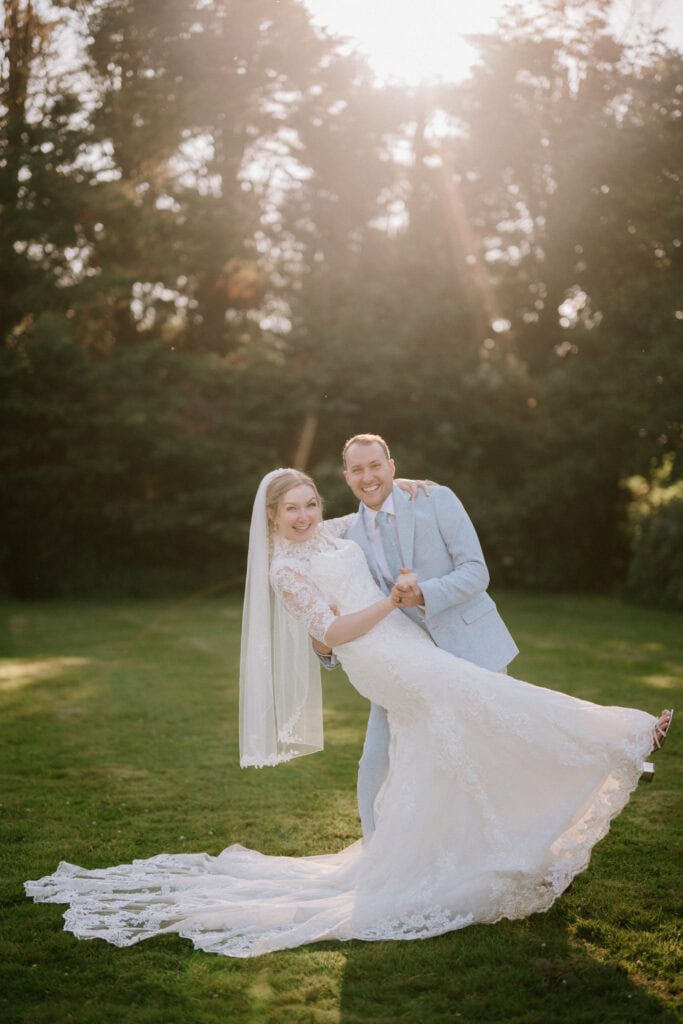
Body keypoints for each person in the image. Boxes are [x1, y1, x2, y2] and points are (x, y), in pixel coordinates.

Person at [25, 467, 673, 959]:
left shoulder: (330, 531)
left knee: (440, 745)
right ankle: (625, 731)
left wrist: (405, 481)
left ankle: (461, 853)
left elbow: (369, 517)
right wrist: (391, 605)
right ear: (272, 518)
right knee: (490, 699)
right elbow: (331, 635)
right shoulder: (284, 572)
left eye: (311, 504)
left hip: (401, 643)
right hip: (380, 655)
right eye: (292, 510)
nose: (306, 516)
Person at [314, 433, 518, 836]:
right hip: (402, 664)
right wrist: (328, 648)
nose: (368, 476)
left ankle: (536, 858)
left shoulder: (436, 499)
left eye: (376, 466)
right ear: (346, 477)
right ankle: (377, 860)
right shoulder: (345, 537)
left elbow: (477, 572)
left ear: (392, 467)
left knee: (492, 758)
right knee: (376, 761)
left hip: (470, 647)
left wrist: (424, 593)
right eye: (358, 470)